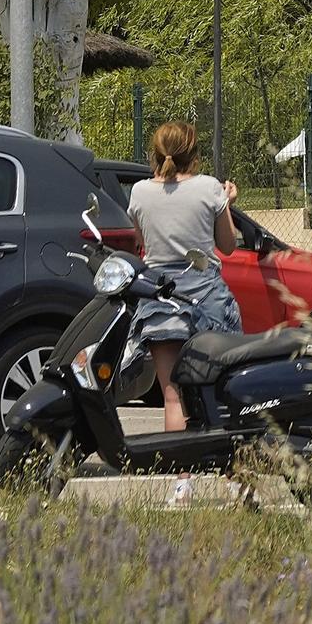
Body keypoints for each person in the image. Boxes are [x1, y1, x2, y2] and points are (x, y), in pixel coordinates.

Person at [127, 121, 242, 440]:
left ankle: (180, 470)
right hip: (206, 299)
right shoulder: (209, 188)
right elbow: (228, 246)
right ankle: (227, 463)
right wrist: (226, 204)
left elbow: (142, 242)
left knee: (173, 396)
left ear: (155, 154)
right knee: (220, 390)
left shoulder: (139, 192)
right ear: (194, 155)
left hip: (161, 300)